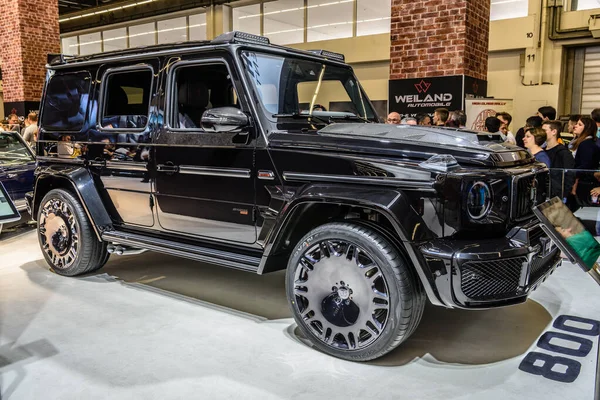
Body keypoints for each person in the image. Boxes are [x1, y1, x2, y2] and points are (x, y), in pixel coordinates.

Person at [543, 120, 575, 200]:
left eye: (544, 130)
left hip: (557, 194)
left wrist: (563, 193)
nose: (541, 133)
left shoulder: (563, 153)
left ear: (554, 132)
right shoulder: (542, 151)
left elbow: (570, 175)